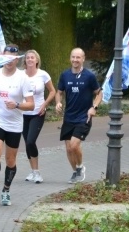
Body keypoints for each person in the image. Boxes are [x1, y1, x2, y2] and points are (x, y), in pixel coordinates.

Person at [0, 44, 34, 206]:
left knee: (10, 160)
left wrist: (17, 105)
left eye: (12, 58)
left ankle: (6, 190)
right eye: (6, 57)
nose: (9, 61)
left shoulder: (23, 78)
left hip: (14, 124)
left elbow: (31, 105)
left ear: (17, 60)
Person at [55, 48, 102, 183]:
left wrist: (94, 107)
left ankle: (80, 167)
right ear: (70, 58)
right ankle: (75, 172)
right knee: (69, 148)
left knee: (74, 145)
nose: (75, 60)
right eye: (73, 57)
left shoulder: (89, 76)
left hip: (84, 117)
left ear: (83, 59)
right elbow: (59, 92)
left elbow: (99, 93)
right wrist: (58, 103)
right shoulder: (65, 75)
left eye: (78, 57)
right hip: (69, 117)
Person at [21, 49, 57, 184]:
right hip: (23, 113)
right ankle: (33, 171)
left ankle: (37, 172)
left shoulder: (43, 75)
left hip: (38, 113)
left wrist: (44, 104)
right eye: (28, 57)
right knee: (27, 143)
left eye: (32, 57)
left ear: (37, 60)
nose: (30, 59)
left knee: (31, 141)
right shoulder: (20, 75)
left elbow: (52, 91)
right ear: (25, 60)